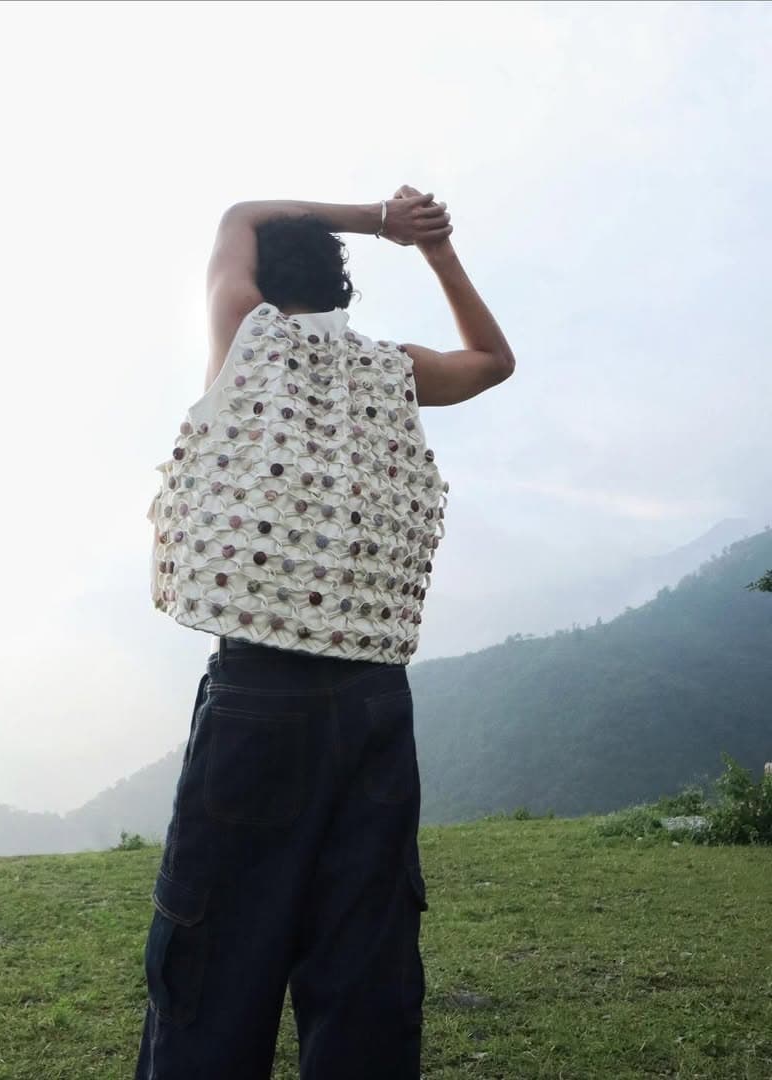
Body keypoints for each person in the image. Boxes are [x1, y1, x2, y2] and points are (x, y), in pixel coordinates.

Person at [135, 188, 516, 1080]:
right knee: (366, 973)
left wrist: (378, 216)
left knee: (212, 969)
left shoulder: (244, 336)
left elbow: (240, 212)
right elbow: (493, 360)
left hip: (259, 698)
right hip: (377, 704)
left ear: (259, 285)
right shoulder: (394, 370)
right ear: (343, 295)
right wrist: (431, 247)